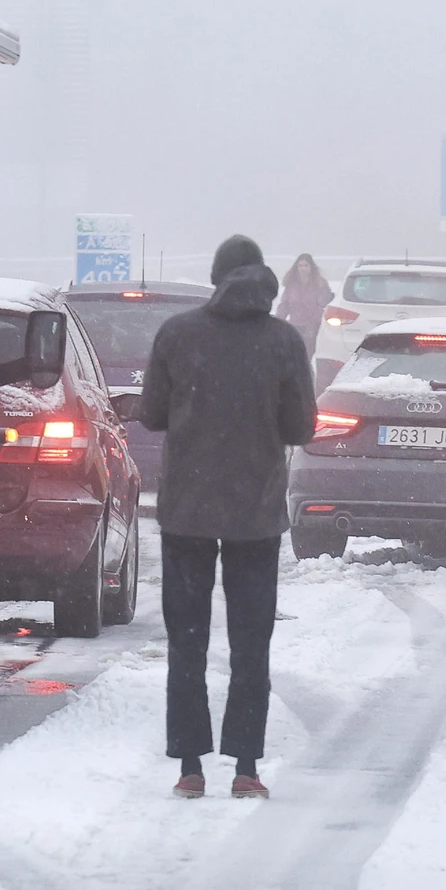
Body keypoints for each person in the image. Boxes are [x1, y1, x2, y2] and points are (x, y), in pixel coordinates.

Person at [140, 234, 316, 799]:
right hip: (256, 513)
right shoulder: (284, 341)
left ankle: (191, 767)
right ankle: (245, 769)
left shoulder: (178, 334)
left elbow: (151, 414)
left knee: (187, 640)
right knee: (250, 643)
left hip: (188, 511)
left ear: (216, 278)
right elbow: (301, 429)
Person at [274, 253, 335, 359]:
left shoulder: (320, 284)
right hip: (295, 327)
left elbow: (326, 303)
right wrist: (277, 323)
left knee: (307, 357)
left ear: (311, 267)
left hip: (314, 328)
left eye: (306, 265)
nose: (303, 268)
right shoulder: (291, 285)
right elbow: (284, 306)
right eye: (300, 266)